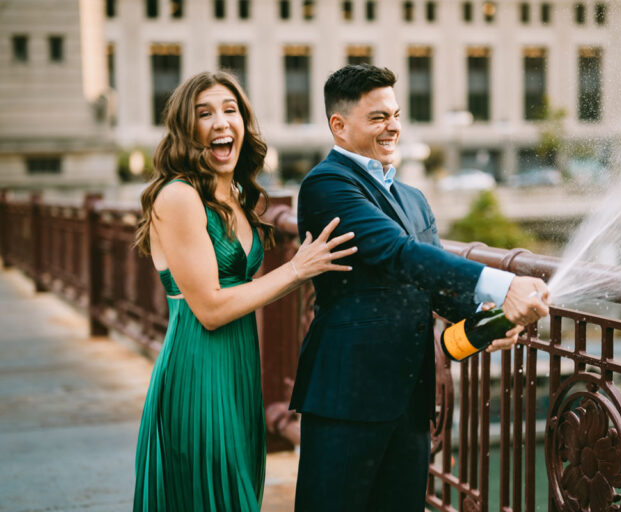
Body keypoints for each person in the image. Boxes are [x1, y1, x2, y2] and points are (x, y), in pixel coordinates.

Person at [291, 64, 550, 511]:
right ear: (339, 125)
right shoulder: (325, 185)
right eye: (377, 117)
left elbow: (441, 295)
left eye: (395, 114)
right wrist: (505, 283)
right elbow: (396, 254)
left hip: (411, 402)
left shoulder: (413, 198)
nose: (393, 126)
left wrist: (494, 320)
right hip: (346, 400)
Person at [131, 71, 357, 511]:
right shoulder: (177, 198)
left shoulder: (238, 196)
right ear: (186, 129)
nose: (221, 122)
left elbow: (245, 290)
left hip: (239, 371)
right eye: (205, 113)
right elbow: (212, 308)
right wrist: (295, 270)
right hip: (197, 370)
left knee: (240, 492)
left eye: (230, 110)